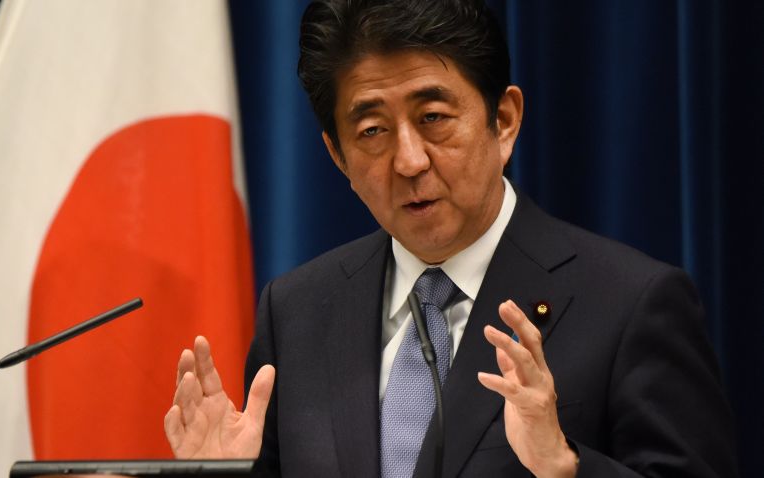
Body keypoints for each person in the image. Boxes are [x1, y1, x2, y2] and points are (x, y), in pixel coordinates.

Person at [164, 1, 738, 476]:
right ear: (336, 155)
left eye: (434, 117)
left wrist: (565, 466)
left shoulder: (629, 301)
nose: (409, 160)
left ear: (504, 119)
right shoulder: (297, 310)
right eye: (372, 131)